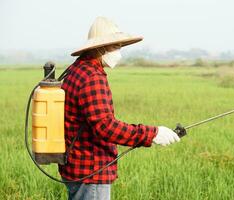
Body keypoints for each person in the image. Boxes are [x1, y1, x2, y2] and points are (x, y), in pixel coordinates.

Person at [59, 16, 180, 200]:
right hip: (91, 172)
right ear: (100, 47)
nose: (119, 53)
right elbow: (105, 127)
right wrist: (153, 133)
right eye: (115, 47)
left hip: (76, 167)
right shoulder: (92, 77)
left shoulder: (76, 69)